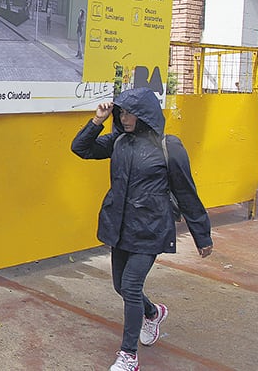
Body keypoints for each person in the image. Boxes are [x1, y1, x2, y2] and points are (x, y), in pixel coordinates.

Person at [71, 87, 213, 371]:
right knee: (120, 286)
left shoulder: (169, 146)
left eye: (130, 113)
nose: (124, 118)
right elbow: (80, 149)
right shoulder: (119, 142)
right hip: (120, 225)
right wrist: (97, 121)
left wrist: (202, 234)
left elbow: (186, 192)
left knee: (132, 286)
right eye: (122, 112)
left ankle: (128, 356)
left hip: (151, 228)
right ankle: (154, 312)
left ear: (146, 114)